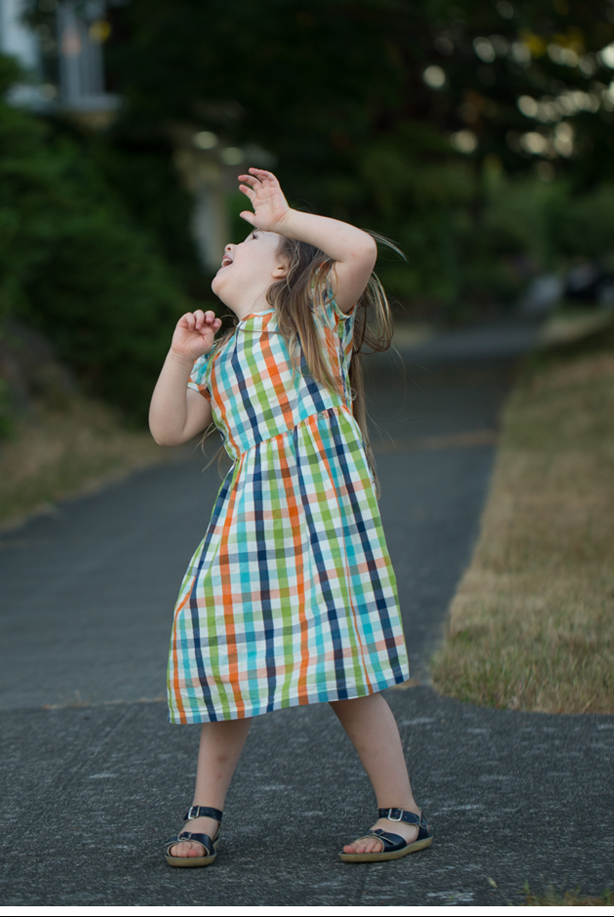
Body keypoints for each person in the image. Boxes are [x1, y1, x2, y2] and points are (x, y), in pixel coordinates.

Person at [149, 168, 430, 868]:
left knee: (347, 666)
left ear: (283, 265)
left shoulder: (312, 317)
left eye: (248, 238)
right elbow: (169, 428)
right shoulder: (219, 357)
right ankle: (203, 813)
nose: (230, 246)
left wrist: (286, 213)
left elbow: (359, 249)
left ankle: (402, 810)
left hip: (324, 521)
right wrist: (179, 354)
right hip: (249, 529)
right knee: (222, 651)